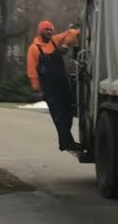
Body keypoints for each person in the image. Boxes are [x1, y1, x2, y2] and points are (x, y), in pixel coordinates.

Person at [26, 19, 81, 151]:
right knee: (59, 116)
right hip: (49, 87)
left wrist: (66, 45)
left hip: (62, 83)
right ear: (41, 31)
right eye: (46, 29)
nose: (49, 31)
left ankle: (65, 142)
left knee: (68, 113)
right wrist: (36, 87)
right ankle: (67, 142)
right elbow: (32, 69)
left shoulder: (55, 41)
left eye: (51, 29)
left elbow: (73, 33)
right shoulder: (34, 48)